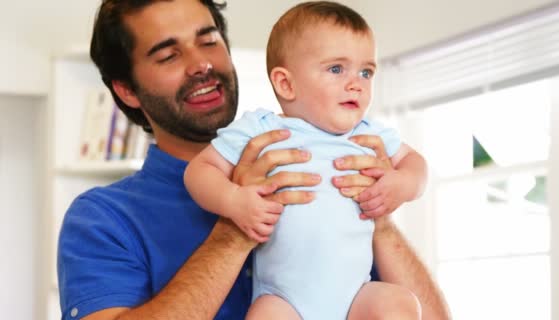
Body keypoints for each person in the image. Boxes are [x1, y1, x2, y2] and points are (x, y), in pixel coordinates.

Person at [57, 0, 451, 319]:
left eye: (208, 41)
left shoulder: (344, 155)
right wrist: (233, 233)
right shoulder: (102, 218)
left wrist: (379, 219)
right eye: (168, 55)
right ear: (127, 90)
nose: (201, 64)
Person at [184, 2, 425, 319]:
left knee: (400, 304)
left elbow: (416, 165)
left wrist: (402, 183)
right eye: (337, 69)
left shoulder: (370, 134)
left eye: (366, 72)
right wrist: (234, 200)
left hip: (357, 297)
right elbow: (199, 172)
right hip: (284, 300)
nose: (357, 83)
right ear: (286, 84)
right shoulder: (263, 128)